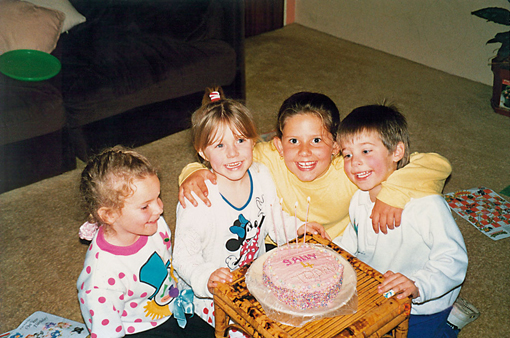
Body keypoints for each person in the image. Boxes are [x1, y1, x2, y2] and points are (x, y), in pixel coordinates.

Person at [178, 92, 452, 242]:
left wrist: (393, 193)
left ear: (336, 147)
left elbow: (436, 164)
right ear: (278, 143)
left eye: (317, 140)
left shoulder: (348, 168)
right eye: (293, 141)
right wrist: (194, 172)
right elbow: (225, 154)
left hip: (339, 249)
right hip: (279, 243)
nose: (304, 151)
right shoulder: (268, 156)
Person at [172, 88, 329, 332]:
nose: (233, 152)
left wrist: (298, 227)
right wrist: (206, 278)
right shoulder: (198, 198)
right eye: (220, 145)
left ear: (253, 141)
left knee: (304, 310)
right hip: (209, 291)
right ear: (202, 152)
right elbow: (183, 257)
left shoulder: (261, 175)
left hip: (253, 277)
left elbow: (274, 219)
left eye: (241, 140)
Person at [336, 105, 468, 338]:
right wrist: (329, 252)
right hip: (378, 292)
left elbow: (453, 259)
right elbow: (353, 238)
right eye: (347, 154)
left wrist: (419, 285)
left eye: (366, 151)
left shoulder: (427, 205)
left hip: (423, 306)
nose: (355, 162)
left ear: (397, 152)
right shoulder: (358, 197)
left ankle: (450, 326)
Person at [76, 146, 213, 338]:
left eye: (157, 197)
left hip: (174, 304)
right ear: (109, 214)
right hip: (139, 328)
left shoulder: (153, 223)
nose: (158, 209)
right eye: (145, 206)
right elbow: (107, 332)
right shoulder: (100, 280)